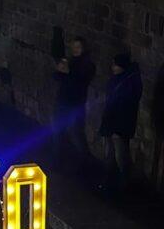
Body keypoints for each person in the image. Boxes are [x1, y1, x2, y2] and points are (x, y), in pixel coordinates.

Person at [98, 53, 143, 193]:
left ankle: (124, 182)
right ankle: (109, 180)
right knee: (109, 153)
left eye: (115, 64)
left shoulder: (130, 82)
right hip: (112, 121)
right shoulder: (117, 79)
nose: (112, 67)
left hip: (120, 124)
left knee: (120, 154)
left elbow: (127, 105)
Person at [53, 37, 96, 170]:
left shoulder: (87, 65)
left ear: (83, 48)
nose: (75, 50)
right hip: (63, 101)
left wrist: (68, 72)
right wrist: (59, 70)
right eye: (73, 47)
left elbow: (81, 81)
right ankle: (58, 161)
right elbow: (58, 78)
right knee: (59, 132)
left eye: (78, 47)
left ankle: (85, 163)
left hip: (75, 103)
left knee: (77, 133)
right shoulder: (70, 61)